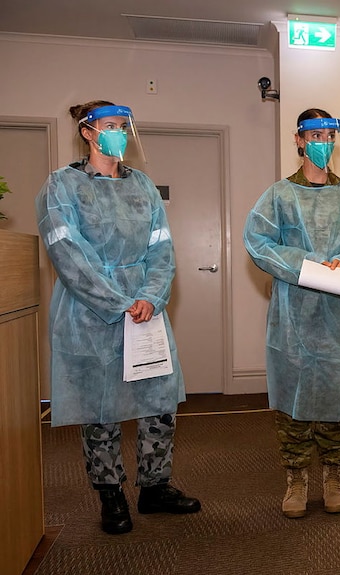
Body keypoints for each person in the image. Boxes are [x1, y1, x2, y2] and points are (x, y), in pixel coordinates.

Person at [35, 100, 200, 535]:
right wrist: (115, 300)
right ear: (88, 133)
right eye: (111, 126)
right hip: (91, 314)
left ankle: (155, 487)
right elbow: (66, 253)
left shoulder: (142, 186)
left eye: (124, 126)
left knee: (158, 402)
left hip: (146, 312)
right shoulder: (62, 185)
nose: (120, 134)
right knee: (100, 409)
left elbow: (161, 249)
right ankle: (110, 495)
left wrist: (149, 296)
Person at [243, 108, 340, 518]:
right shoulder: (279, 195)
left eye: (329, 135)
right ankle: (296, 479)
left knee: (336, 399)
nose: (323, 142)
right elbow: (258, 241)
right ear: (299, 140)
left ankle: (334, 476)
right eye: (314, 135)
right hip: (294, 316)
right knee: (293, 402)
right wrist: (307, 265)